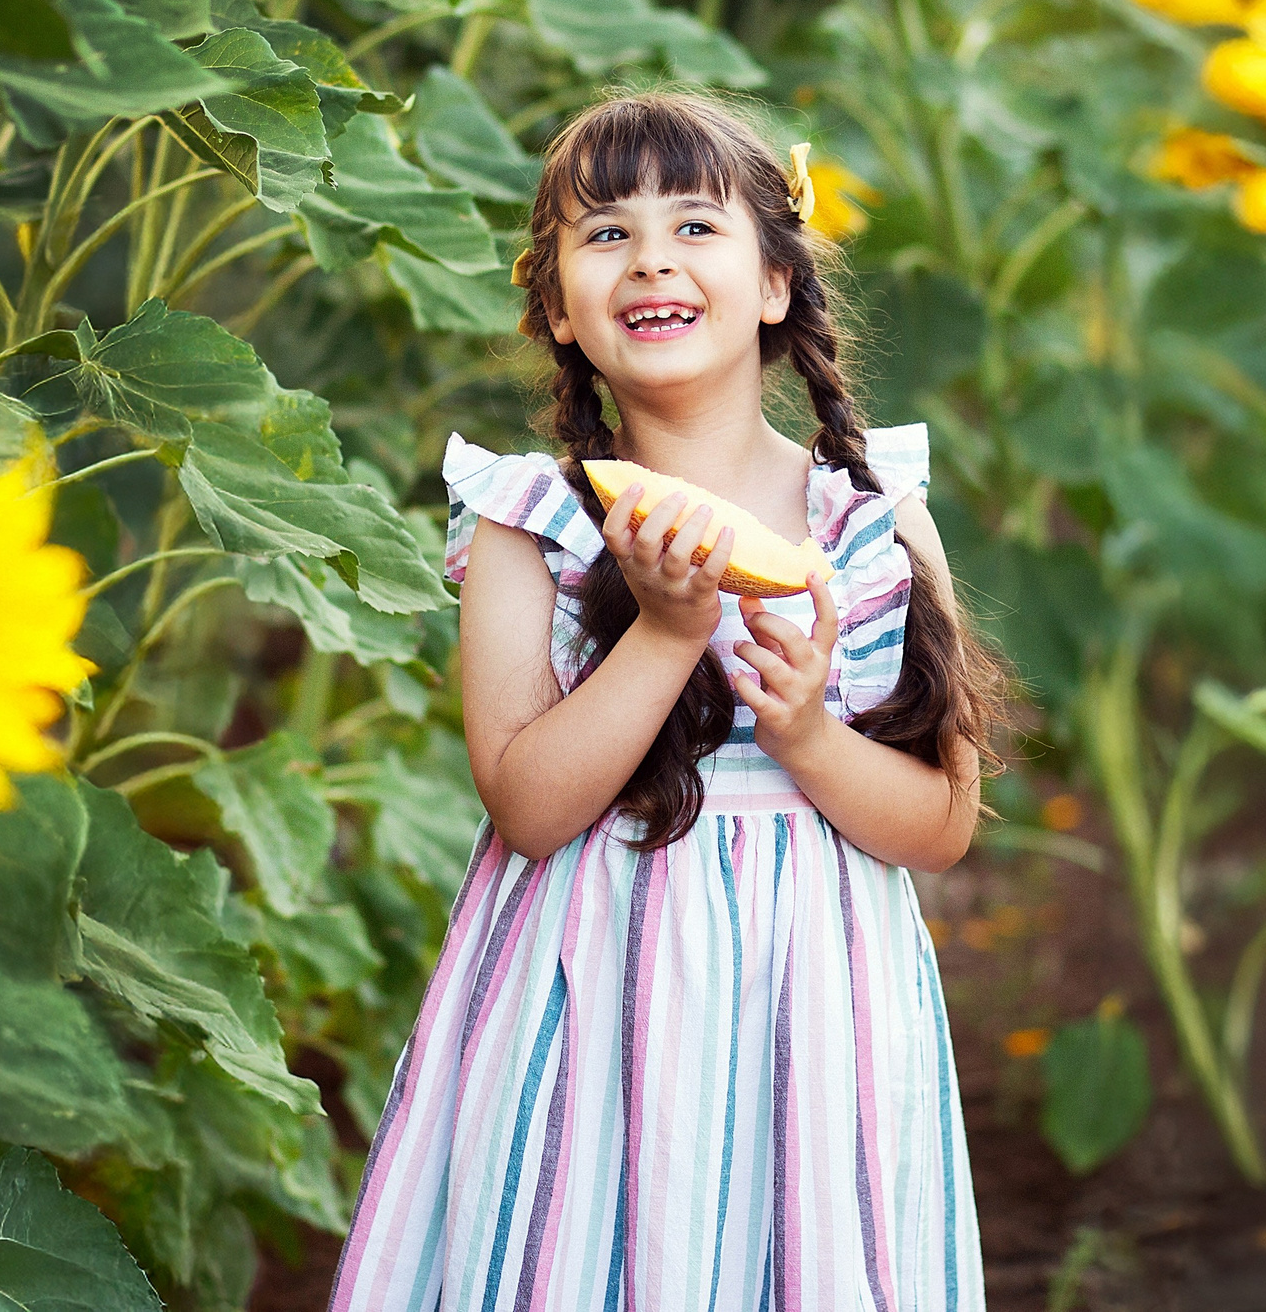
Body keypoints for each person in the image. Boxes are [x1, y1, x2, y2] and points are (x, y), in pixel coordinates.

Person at [328, 88, 1008, 1311]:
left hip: (822, 1017)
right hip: (589, 1003)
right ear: (556, 307)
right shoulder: (527, 525)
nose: (650, 258)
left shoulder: (875, 522)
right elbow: (529, 808)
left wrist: (804, 732)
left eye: (696, 227)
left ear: (774, 285)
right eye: (604, 234)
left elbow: (941, 825)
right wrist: (669, 628)